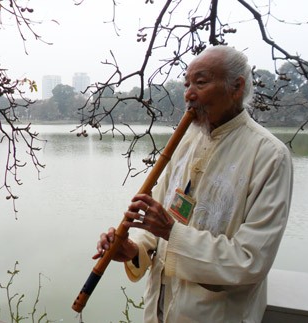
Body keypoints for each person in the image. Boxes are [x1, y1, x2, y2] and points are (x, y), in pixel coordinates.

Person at [94, 45, 293, 323]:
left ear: (236, 87)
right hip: (161, 312)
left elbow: (250, 260)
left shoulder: (270, 155)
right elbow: (159, 220)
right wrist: (134, 249)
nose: (188, 93)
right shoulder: (186, 141)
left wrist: (171, 232)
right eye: (187, 84)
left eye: (201, 82)